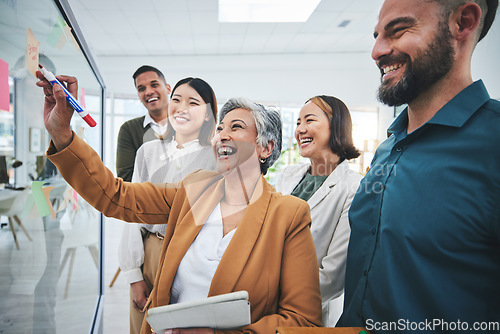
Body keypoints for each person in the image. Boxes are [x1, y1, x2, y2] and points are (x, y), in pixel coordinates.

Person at [35, 69, 322, 333]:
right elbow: (115, 196)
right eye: (220, 128)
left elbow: (302, 321)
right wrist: (61, 133)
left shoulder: (289, 215)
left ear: (265, 147)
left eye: (235, 127)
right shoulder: (195, 189)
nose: (222, 135)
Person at [338, 0, 500, 332]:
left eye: (397, 31)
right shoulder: (388, 148)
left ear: (463, 22)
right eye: (377, 35)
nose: (377, 51)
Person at [120, 77, 218, 334]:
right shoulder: (148, 152)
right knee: (144, 325)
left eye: (193, 102)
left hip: (191, 255)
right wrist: (134, 275)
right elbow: (132, 212)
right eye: (176, 99)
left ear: (208, 114)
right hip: (152, 249)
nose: (181, 107)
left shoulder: (216, 157)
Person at [275, 95, 361, 327]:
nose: (300, 129)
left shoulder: (354, 187)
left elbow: (333, 275)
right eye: (298, 123)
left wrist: (275, 295)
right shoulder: (287, 176)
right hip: (263, 302)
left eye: (309, 120)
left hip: (308, 313)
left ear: (336, 126)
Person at [116, 65, 171, 182]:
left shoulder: (187, 124)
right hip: (145, 199)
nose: (149, 92)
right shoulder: (129, 129)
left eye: (154, 85)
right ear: (139, 96)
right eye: (141, 89)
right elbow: (126, 177)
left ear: (168, 88)